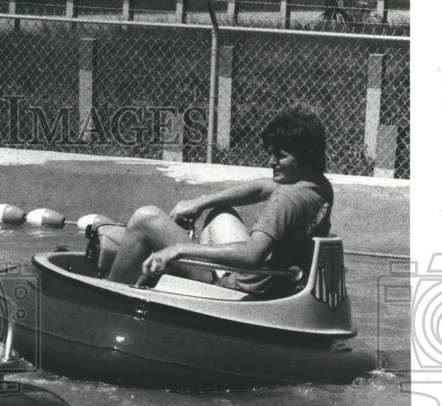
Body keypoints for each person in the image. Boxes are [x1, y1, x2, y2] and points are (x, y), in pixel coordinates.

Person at [105, 105, 333, 298]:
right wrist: (200, 202)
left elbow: (251, 256)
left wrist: (176, 250)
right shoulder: (318, 187)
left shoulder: (287, 199)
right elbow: (262, 187)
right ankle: (195, 270)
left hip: (237, 293)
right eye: (271, 153)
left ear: (307, 155)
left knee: (146, 218)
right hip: (271, 286)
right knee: (220, 213)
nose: (271, 161)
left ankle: (110, 294)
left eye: (281, 155)